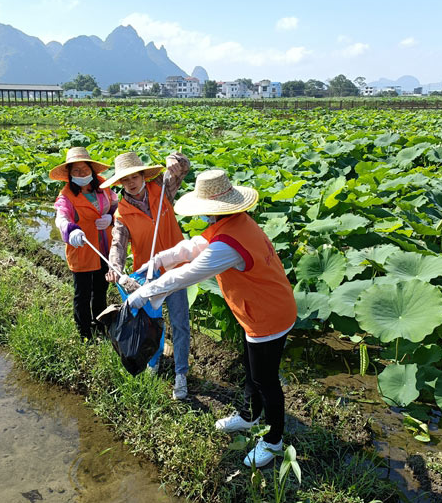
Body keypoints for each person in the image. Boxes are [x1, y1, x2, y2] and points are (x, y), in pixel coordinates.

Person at [126, 169, 297, 467]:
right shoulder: (233, 223)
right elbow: (193, 246)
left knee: (265, 379)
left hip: (268, 315)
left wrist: (146, 292)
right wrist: (159, 260)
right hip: (256, 310)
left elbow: (190, 273)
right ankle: (249, 415)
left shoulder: (228, 244)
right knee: (251, 367)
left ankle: (273, 441)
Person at [100, 151, 192, 399]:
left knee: (180, 323)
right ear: (120, 183)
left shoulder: (161, 188)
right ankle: (153, 364)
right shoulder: (122, 214)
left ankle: (181, 375)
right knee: (151, 324)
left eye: (134, 176)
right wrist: (115, 268)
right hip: (149, 276)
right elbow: (118, 244)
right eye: (125, 180)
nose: (131, 182)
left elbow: (183, 169)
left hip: (176, 269)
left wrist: (176, 159)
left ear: (142, 175)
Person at [51, 146, 118, 340]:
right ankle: (85, 334)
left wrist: (111, 217)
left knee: (100, 290)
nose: (81, 173)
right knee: (82, 294)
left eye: (84, 169)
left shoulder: (104, 187)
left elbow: (116, 205)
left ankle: (100, 325)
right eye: (76, 171)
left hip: (105, 246)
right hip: (82, 246)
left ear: (91, 170)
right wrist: (70, 230)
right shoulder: (66, 196)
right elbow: (61, 217)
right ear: (70, 175)